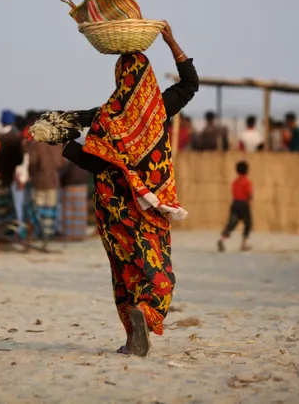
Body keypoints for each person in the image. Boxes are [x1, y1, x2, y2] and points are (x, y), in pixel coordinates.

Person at [60, 22, 198, 357]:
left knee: (125, 271)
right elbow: (190, 84)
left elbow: (95, 162)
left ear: (119, 79)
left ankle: (132, 336)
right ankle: (146, 314)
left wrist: (63, 140)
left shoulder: (106, 117)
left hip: (114, 212)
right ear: (147, 77)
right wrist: (171, 41)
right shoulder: (160, 108)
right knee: (158, 271)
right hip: (149, 208)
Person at [27, 139, 64, 239]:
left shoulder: (36, 142)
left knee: (38, 206)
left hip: (39, 180)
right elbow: (61, 162)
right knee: (50, 207)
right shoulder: (58, 142)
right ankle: (48, 232)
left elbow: (32, 161)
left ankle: (39, 231)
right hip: (53, 180)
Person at [0, 110, 25, 223]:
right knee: (15, 205)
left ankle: (6, 230)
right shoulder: (16, 137)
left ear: (2, 122)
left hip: (2, 177)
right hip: (13, 176)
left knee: (3, 206)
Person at [217, 160, 254, 252]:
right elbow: (249, 194)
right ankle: (244, 244)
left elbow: (234, 193)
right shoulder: (247, 181)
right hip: (244, 205)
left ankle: (222, 239)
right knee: (248, 224)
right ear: (247, 170)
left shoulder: (235, 182)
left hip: (235, 204)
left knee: (231, 224)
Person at [60, 158, 90, 241]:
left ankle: (70, 235)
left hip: (71, 184)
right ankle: (80, 234)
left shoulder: (67, 152)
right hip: (82, 183)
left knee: (69, 211)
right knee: (80, 211)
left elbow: (64, 169)